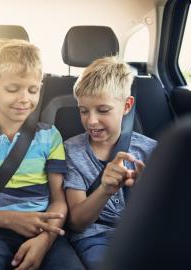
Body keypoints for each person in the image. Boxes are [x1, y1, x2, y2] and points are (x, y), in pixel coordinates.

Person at [0, 38, 84, 270]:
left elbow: (59, 201)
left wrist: (44, 240)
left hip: (44, 229)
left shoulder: (50, 136)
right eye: (13, 89)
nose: (24, 99)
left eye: (33, 90)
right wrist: (12, 220)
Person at [64, 56, 157, 270]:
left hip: (144, 233)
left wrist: (148, 191)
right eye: (83, 110)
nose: (91, 121)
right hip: (96, 236)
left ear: (126, 106)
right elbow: (77, 222)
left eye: (103, 110)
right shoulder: (72, 152)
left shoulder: (151, 150)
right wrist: (105, 189)